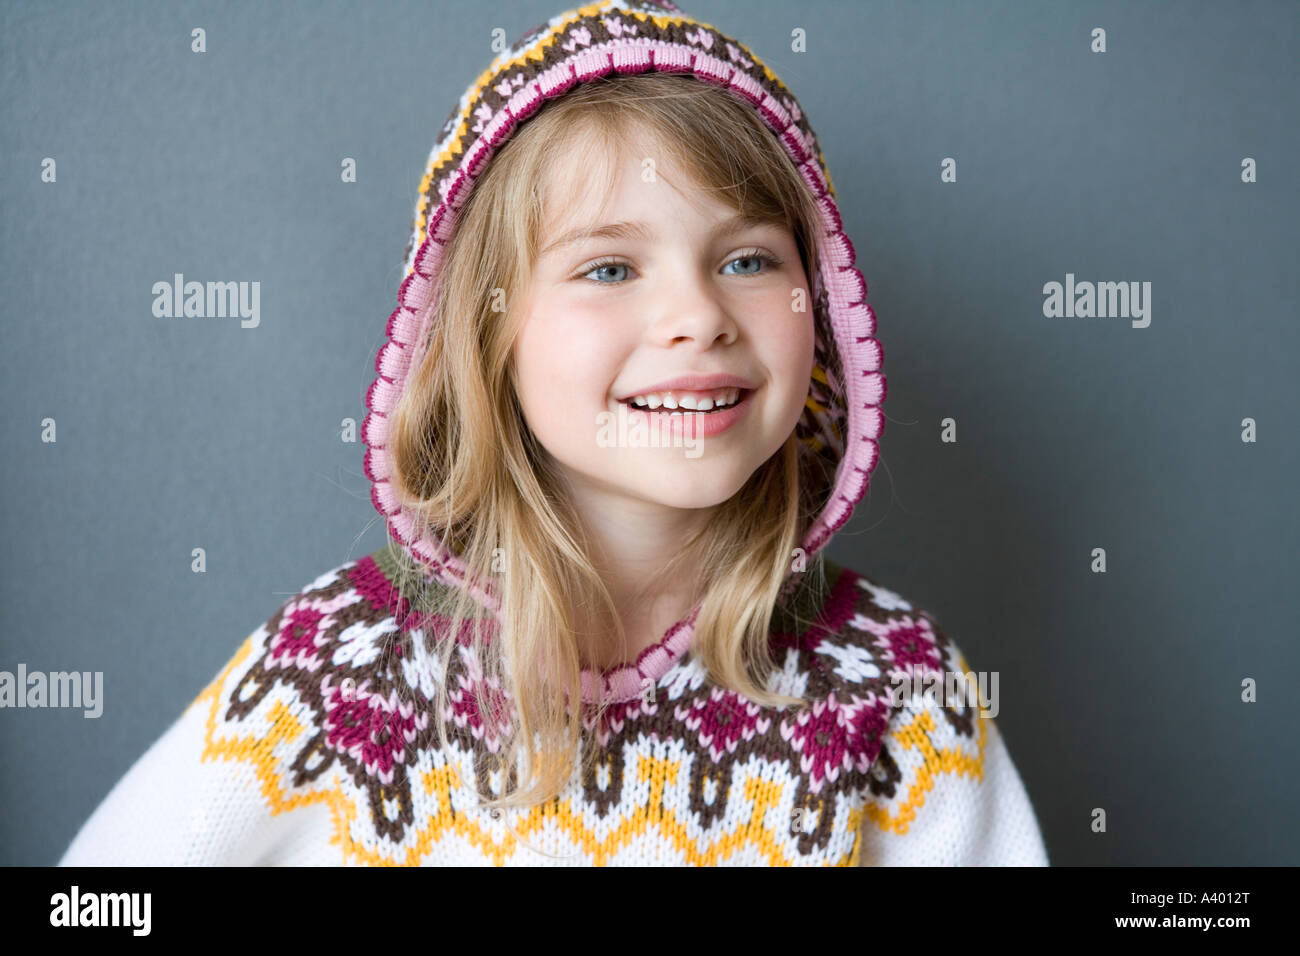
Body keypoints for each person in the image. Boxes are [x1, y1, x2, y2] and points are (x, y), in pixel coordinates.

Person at [57, 0, 1049, 866]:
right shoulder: (333, 673)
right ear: (490, 336)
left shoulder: (896, 688)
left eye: (745, 259)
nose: (696, 315)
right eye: (610, 268)